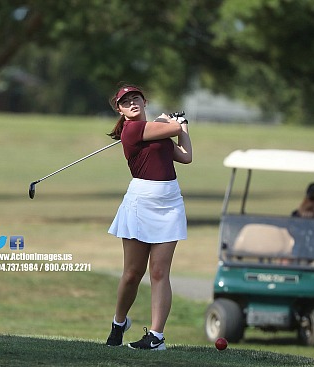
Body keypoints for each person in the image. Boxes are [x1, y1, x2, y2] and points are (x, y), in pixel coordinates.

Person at [105, 84, 192, 350]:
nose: (132, 103)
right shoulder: (130, 130)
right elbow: (173, 128)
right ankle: (119, 323)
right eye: (126, 101)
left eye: (136, 98)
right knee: (132, 273)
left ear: (144, 101)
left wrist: (182, 126)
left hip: (169, 203)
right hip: (140, 203)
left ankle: (156, 337)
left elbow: (186, 156)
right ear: (120, 109)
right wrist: (172, 121)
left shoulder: (156, 132)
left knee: (159, 272)